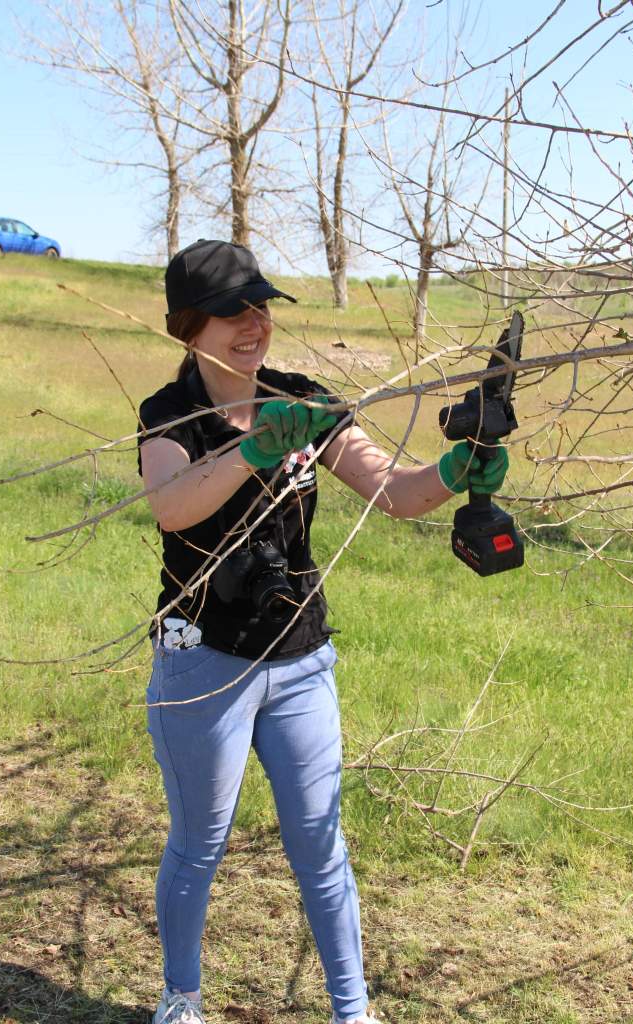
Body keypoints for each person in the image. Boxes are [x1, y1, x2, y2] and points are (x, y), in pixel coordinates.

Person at [138, 239, 508, 1024]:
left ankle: (352, 1011)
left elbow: (394, 493)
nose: (254, 324)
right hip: (203, 662)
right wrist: (252, 449)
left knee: (320, 843)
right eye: (233, 312)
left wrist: (454, 472)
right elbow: (171, 505)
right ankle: (180, 999)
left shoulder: (305, 402)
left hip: (299, 659)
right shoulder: (171, 415)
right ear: (189, 326)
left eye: (261, 307)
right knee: (200, 843)